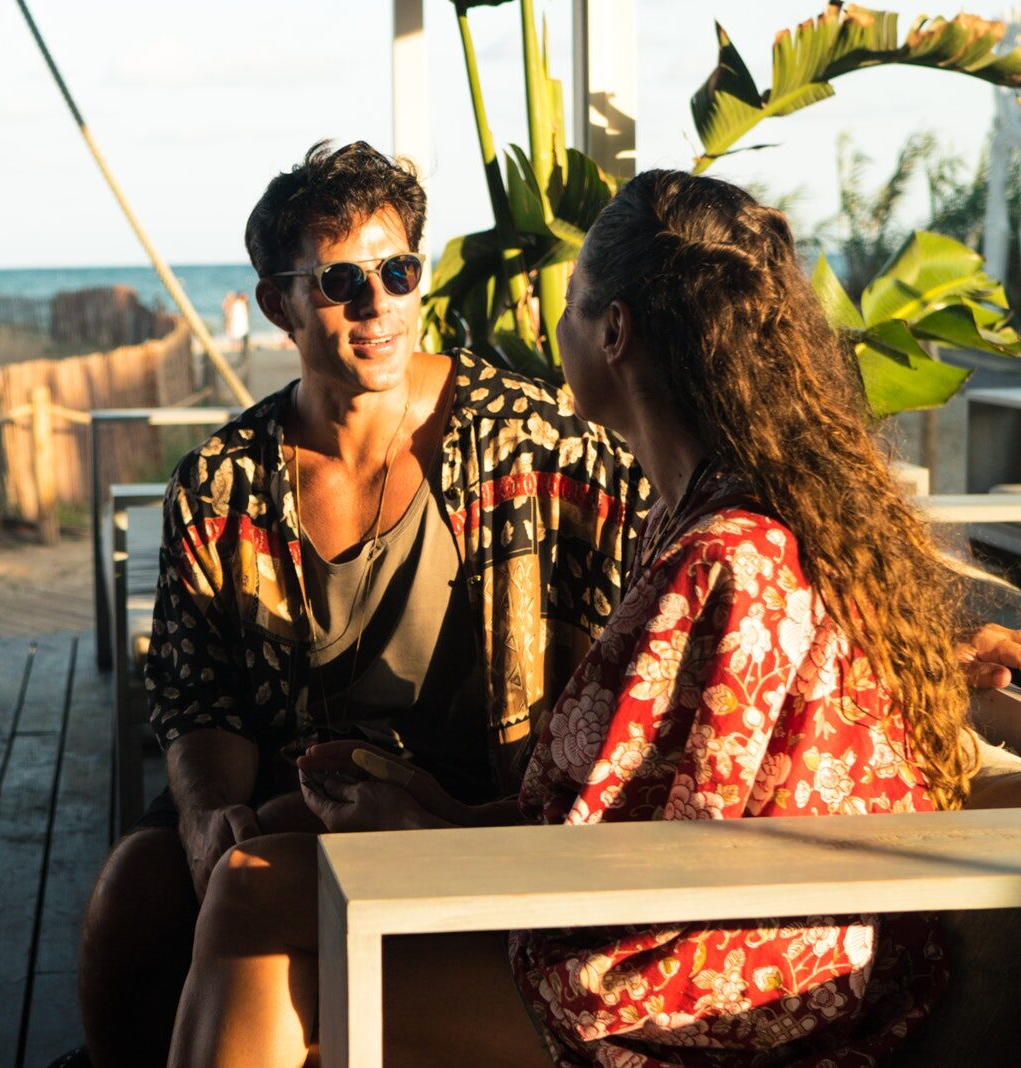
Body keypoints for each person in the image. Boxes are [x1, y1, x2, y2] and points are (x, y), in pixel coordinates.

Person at [71, 144, 1021, 1067]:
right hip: (605, 890)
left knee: (258, 922)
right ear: (280, 302)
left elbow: (642, 850)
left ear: (613, 333)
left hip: (700, 970)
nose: (378, 303)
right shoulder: (226, 481)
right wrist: (383, 816)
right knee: (195, 888)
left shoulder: (615, 488)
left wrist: (428, 831)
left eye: (398, 271)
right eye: (339, 281)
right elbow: (198, 697)